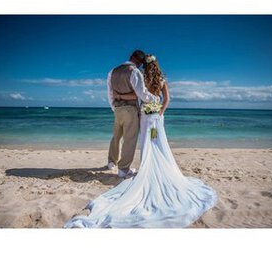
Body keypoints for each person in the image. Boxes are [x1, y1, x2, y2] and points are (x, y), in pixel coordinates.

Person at [64, 54, 218, 228]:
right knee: (151, 141)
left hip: (142, 114)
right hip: (153, 114)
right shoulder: (151, 78)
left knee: (133, 140)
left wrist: (117, 100)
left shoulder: (131, 75)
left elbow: (128, 95)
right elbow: (159, 98)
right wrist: (158, 109)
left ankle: (117, 163)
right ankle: (130, 167)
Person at [107, 49, 160, 178]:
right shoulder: (134, 72)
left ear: (131, 56)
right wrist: (156, 99)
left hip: (117, 109)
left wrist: (114, 106)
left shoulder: (113, 71)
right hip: (130, 109)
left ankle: (111, 162)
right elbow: (141, 93)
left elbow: (109, 92)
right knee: (129, 140)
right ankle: (124, 169)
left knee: (116, 136)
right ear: (140, 62)